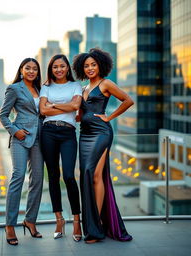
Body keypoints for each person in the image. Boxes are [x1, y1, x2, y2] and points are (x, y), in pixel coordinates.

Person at [73, 48, 134, 243]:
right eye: (86, 66)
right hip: (84, 135)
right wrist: (77, 115)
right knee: (87, 177)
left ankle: (96, 227)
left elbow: (128, 100)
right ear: (82, 69)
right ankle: (94, 223)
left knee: (95, 174)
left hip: (101, 133)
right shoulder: (83, 89)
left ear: (100, 65)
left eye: (93, 64)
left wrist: (110, 117)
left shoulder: (106, 83)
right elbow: (81, 114)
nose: (90, 68)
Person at [0, 58, 44, 246]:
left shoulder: (42, 90)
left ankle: (30, 220)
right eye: (28, 68)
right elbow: (3, 115)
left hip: (39, 138)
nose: (31, 71)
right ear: (22, 70)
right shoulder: (14, 88)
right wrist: (14, 130)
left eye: (35, 68)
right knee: (18, 177)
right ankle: (10, 225)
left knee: (38, 180)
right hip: (20, 137)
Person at [39, 54, 82, 242]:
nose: (58, 69)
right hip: (48, 132)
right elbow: (43, 111)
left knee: (69, 176)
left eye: (62, 66)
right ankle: (59, 219)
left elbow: (76, 105)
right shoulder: (46, 87)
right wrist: (66, 107)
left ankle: (77, 221)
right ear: (51, 69)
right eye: (55, 66)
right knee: (53, 176)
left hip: (68, 133)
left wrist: (54, 104)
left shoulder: (75, 85)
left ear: (67, 68)